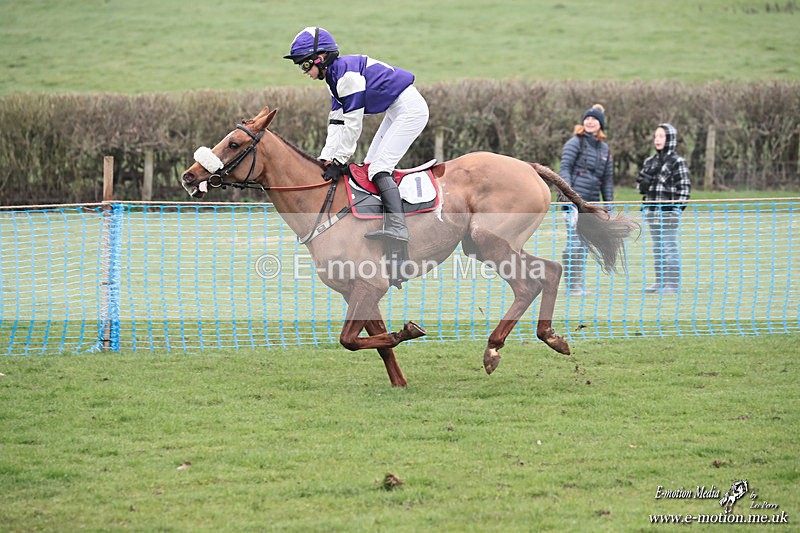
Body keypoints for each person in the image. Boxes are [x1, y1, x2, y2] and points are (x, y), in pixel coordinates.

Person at [283, 27, 429, 243]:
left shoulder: (347, 77)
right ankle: (380, 220)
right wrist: (326, 157)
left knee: (379, 168)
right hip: (395, 109)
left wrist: (341, 159)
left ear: (320, 58)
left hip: (410, 110)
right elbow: (336, 121)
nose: (303, 71)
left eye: (304, 64)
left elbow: (352, 124)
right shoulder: (334, 77)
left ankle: (398, 228)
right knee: (370, 166)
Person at [559, 104, 614, 295]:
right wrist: (568, 196)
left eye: (594, 119)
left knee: (582, 244)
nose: (590, 122)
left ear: (601, 124)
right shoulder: (575, 143)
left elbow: (607, 180)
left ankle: (577, 285)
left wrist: (608, 206)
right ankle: (572, 286)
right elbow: (564, 168)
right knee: (574, 243)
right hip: (574, 203)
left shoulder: (604, 149)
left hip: (591, 205)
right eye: (587, 118)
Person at [635, 123, 692, 294]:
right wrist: (643, 185)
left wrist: (677, 210)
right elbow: (640, 189)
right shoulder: (649, 161)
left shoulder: (678, 162)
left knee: (669, 247)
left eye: (661, 136)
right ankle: (660, 283)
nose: (657, 140)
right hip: (652, 213)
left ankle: (672, 285)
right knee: (658, 249)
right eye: (656, 136)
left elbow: (685, 189)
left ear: (670, 139)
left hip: (668, 213)